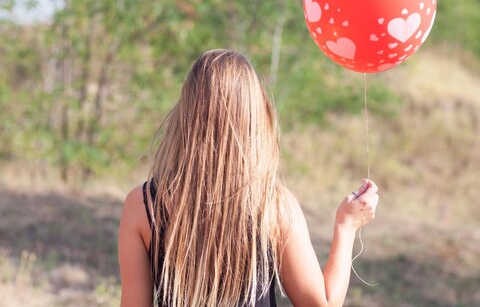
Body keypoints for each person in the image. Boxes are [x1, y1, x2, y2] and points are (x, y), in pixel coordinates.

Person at [118, 49, 379, 307]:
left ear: (185, 112)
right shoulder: (273, 205)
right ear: (254, 116)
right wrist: (346, 226)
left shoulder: (141, 205)